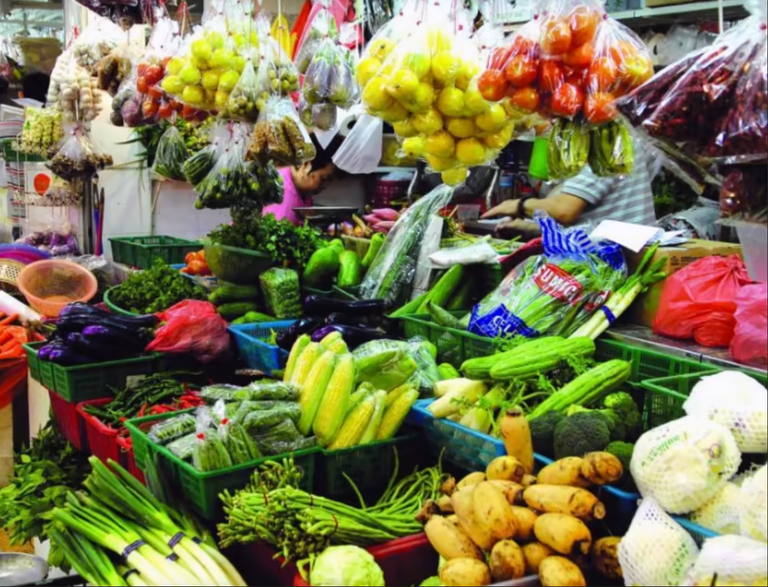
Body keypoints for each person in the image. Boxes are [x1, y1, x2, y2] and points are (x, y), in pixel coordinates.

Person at [484, 137, 661, 236]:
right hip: (620, 254)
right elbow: (592, 217)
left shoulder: (606, 142)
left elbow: (565, 209)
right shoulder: (625, 135)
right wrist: (530, 227)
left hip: (617, 262)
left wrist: (520, 205)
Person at [262, 135, 345, 226]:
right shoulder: (284, 196)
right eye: (323, 178)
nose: (325, 185)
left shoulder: (301, 189)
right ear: (305, 165)